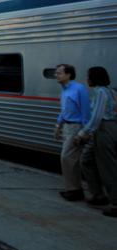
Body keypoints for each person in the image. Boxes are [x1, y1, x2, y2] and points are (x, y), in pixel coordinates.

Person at [76, 67, 117, 216]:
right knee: (86, 160)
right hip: (108, 128)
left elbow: (97, 116)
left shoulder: (100, 92)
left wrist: (83, 133)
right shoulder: (111, 91)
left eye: (88, 76)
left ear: (94, 78)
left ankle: (115, 203)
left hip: (104, 129)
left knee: (108, 168)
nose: (87, 79)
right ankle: (98, 194)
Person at [54, 63, 91, 201]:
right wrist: (58, 125)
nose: (56, 75)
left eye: (59, 73)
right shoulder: (64, 90)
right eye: (56, 73)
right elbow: (64, 110)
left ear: (68, 74)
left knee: (67, 157)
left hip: (76, 127)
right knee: (70, 159)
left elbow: (86, 112)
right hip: (67, 127)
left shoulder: (79, 89)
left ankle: (75, 190)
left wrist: (84, 131)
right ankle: (73, 189)